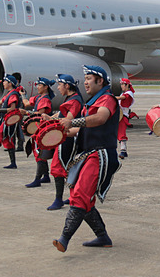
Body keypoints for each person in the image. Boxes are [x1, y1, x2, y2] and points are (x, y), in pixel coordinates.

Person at [53, 65, 120, 252]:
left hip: (100, 154)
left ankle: (64, 239)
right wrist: (55, 132)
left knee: (80, 195)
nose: (85, 82)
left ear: (100, 81)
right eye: (85, 79)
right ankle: (102, 237)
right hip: (88, 155)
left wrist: (71, 121)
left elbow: (100, 119)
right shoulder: (92, 101)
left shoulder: (108, 99)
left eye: (89, 78)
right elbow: (79, 130)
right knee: (80, 197)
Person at [46, 74, 84, 210]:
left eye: (60, 85)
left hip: (68, 138)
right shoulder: (70, 98)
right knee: (69, 167)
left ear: (67, 86)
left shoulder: (75, 101)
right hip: (65, 137)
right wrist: (50, 117)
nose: (58, 88)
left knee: (58, 167)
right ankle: (73, 196)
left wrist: (52, 120)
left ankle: (58, 199)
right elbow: (61, 115)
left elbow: (68, 121)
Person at [21, 77, 55, 188]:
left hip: (41, 129)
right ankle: (45, 176)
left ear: (46, 87)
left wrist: (26, 112)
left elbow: (39, 115)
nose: (37, 87)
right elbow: (26, 103)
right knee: (38, 152)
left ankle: (37, 179)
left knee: (39, 153)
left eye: (40, 85)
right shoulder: (39, 97)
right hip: (37, 128)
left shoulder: (45, 100)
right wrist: (22, 95)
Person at [116, 78, 135, 159]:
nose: (121, 86)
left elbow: (122, 98)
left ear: (127, 85)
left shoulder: (129, 93)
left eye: (122, 84)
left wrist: (110, 97)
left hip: (123, 115)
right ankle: (123, 151)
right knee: (119, 133)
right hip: (120, 115)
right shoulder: (124, 93)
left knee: (121, 133)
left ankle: (123, 151)